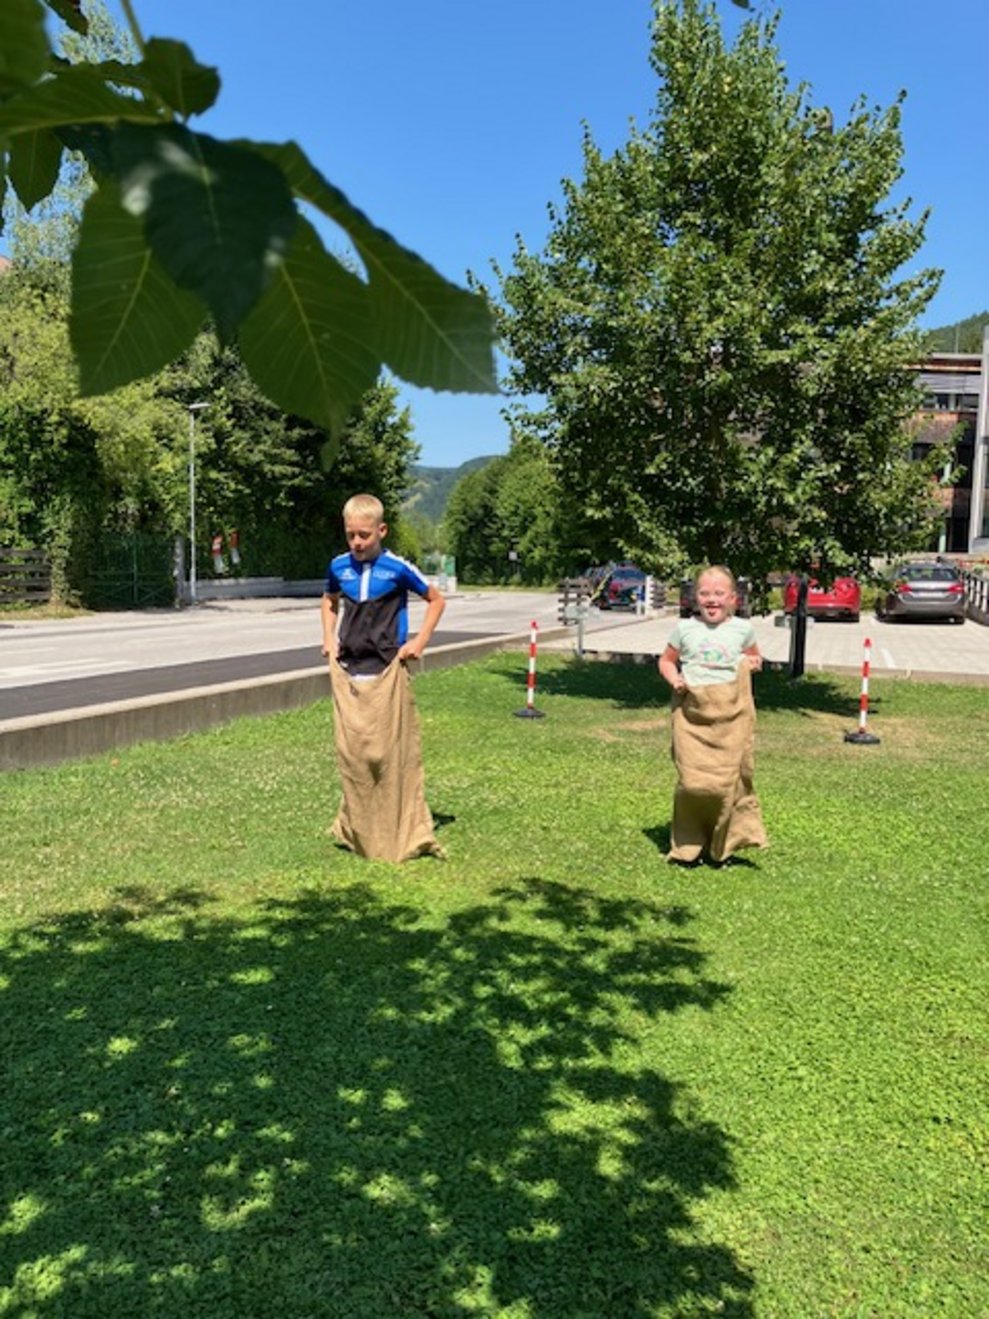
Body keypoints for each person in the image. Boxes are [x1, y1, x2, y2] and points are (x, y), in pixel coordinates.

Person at [321, 494, 446, 861]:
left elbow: (436, 600)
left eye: (364, 535)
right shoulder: (339, 566)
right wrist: (328, 637)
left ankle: (399, 828)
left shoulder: (397, 568)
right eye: (351, 535)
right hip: (350, 672)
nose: (357, 543)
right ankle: (358, 827)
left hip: (387, 671)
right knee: (355, 754)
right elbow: (329, 600)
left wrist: (419, 641)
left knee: (386, 753)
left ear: (382, 530)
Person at [658, 566, 768, 864]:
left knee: (728, 781)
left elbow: (754, 656)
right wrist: (674, 678)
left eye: (719, 593)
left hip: (731, 718)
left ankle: (723, 843)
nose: (712, 599)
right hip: (693, 717)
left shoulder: (743, 629)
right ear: (696, 597)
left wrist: (753, 663)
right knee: (692, 781)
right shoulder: (684, 629)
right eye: (705, 593)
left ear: (733, 599)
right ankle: (687, 844)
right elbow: (666, 661)